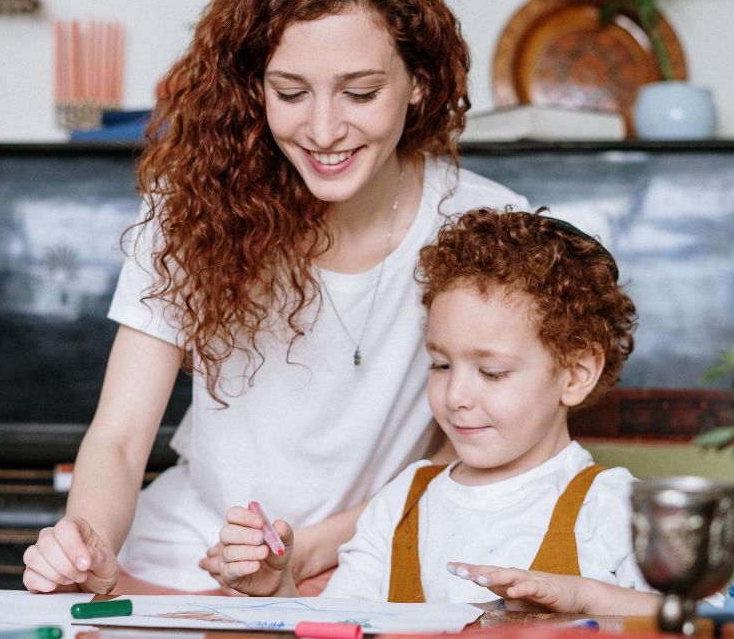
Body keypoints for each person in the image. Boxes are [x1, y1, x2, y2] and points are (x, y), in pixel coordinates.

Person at [22, 0, 528, 595]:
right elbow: (121, 441)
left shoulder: (491, 231)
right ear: (254, 89)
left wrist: (314, 550)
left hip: (370, 557)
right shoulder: (190, 211)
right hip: (181, 557)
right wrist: (86, 541)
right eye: (290, 94)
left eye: (361, 93)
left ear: (419, 81)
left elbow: (482, 453)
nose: (322, 131)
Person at [215, 208, 661, 615]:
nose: (455, 395)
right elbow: (338, 626)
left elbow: (699, 623)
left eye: (491, 372)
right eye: (441, 365)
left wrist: (584, 597)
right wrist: (279, 594)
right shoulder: (403, 503)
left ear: (575, 374)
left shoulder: (617, 508)